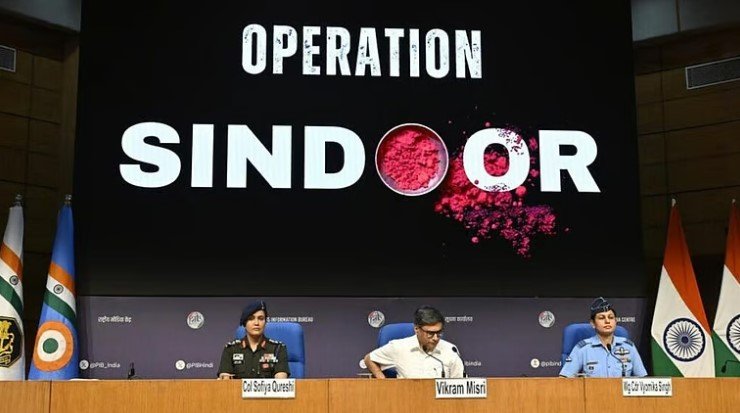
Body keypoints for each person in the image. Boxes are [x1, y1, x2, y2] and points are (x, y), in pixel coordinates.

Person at [363, 306, 464, 378]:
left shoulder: (451, 350)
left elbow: (460, 385)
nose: (435, 338)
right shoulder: (399, 347)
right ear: (416, 329)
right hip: (406, 399)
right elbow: (369, 359)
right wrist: (384, 383)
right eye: (430, 333)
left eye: (439, 332)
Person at [559, 297, 647, 377]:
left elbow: (643, 379)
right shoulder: (583, 348)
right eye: (601, 318)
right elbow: (564, 379)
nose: (607, 321)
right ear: (593, 323)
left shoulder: (628, 347)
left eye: (611, 317)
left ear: (615, 321)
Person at [217, 300, 290, 379]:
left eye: (261, 318)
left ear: (265, 322)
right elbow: (225, 382)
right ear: (244, 323)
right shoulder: (231, 349)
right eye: (251, 319)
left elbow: (281, 382)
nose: (256, 323)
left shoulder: (278, 348)